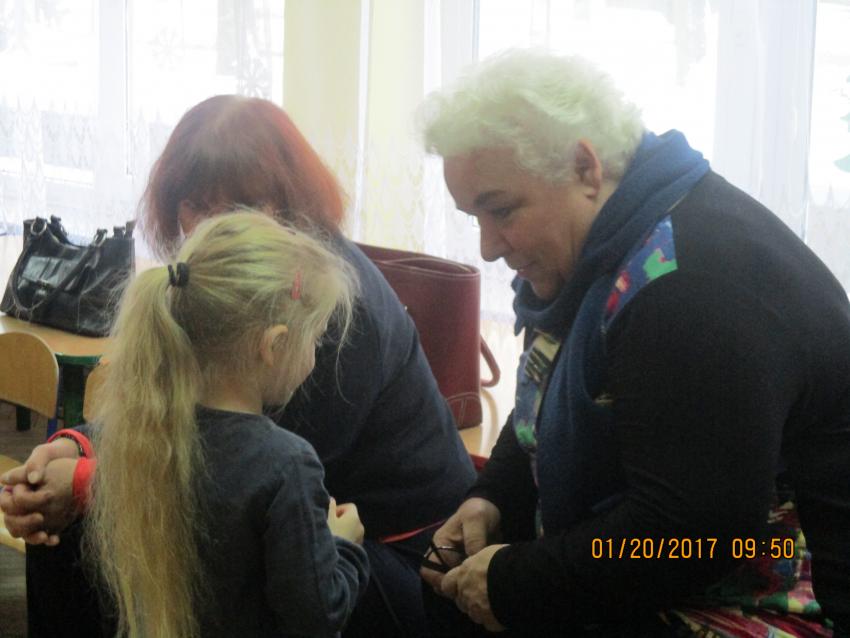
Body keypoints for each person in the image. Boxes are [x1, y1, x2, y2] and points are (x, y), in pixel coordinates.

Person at [1, 95, 477, 637]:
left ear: (288, 202)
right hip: (286, 510)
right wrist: (77, 447)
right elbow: (170, 409)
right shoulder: (219, 290)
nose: (214, 225)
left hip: (393, 553)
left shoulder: (327, 311)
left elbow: (236, 482)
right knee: (64, 528)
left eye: (243, 204)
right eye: (197, 204)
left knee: (91, 522)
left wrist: (88, 483)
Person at [417, 49, 850, 636]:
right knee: (444, 590)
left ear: (585, 168)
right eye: (475, 217)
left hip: (774, 603)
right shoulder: (604, 250)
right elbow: (541, 405)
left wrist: (517, 579)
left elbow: (695, 537)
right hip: (681, 565)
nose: (488, 247)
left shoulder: (687, 283)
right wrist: (492, 498)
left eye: (501, 211)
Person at [63, 211, 368, 637]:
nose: (316, 354)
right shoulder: (287, 465)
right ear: (275, 344)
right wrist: (342, 545)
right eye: (315, 339)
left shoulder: (143, 431)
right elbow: (316, 614)